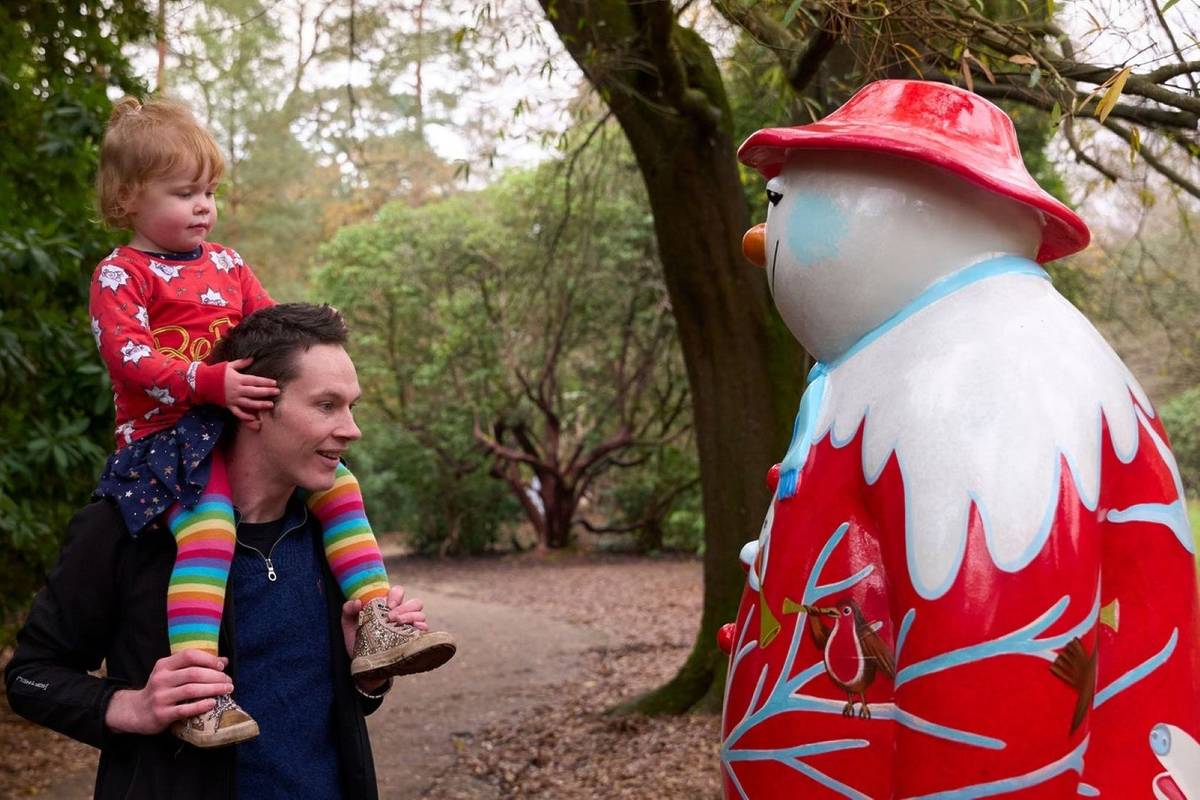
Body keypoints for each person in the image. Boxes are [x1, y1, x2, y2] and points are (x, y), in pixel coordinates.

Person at [83, 97, 454, 746]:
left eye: (210, 191)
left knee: (340, 484)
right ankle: (201, 695)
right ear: (127, 198)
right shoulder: (123, 273)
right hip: (167, 445)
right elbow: (128, 355)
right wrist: (210, 380)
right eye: (184, 193)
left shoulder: (227, 265)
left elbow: (269, 331)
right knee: (210, 529)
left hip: (232, 427)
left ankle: (376, 624)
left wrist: (311, 349)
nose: (204, 206)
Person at [6, 303, 433, 799]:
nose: (351, 428)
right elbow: (30, 677)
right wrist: (131, 706)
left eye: (351, 406)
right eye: (326, 405)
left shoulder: (333, 535)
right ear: (252, 406)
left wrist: (365, 676)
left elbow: (324, 706)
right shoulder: (129, 525)